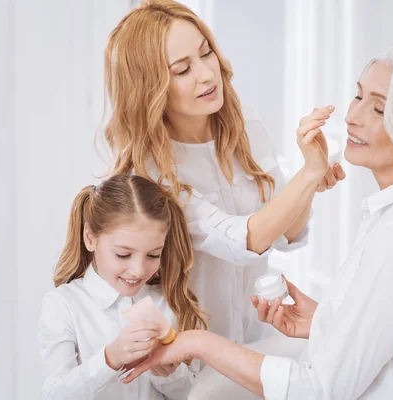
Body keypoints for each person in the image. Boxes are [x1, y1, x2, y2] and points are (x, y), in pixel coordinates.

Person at [122, 45, 393, 400]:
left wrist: (197, 343)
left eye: (378, 109)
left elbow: (319, 390)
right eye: (358, 95)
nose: (352, 116)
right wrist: (327, 321)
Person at [103, 0, 345, 345]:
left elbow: (284, 235)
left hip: (254, 338)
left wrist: (309, 180)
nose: (206, 74)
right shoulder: (150, 173)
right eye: (182, 69)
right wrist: (307, 175)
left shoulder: (247, 124)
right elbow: (242, 240)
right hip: (183, 351)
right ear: (150, 88)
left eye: (206, 53)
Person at [38, 174, 207, 399]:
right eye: (123, 254)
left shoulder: (168, 303)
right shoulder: (63, 304)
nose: (138, 270)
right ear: (90, 238)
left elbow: (193, 394)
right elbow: (55, 394)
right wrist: (110, 359)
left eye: (153, 255)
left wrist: (169, 375)